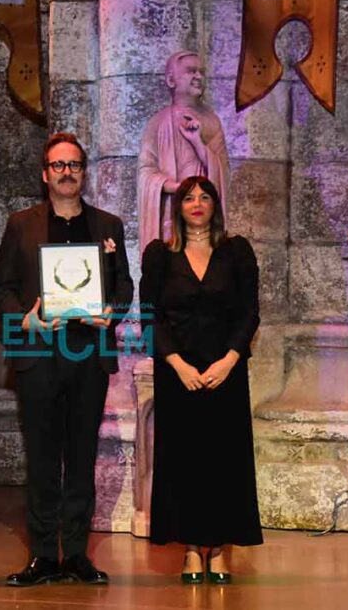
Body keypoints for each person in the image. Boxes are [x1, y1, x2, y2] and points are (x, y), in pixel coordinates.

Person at [0, 132, 133, 586]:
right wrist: (23, 320)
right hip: (38, 355)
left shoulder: (108, 226)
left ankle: (75, 554)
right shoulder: (21, 224)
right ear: (44, 174)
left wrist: (113, 310)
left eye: (74, 165)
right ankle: (42, 557)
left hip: (89, 356)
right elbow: (2, 288)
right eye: (58, 165)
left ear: (84, 173)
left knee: (81, 455)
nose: (66, 172)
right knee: (42, 458)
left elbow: (124, 285)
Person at [139, 175, 262, 584]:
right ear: (177, 207)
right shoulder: (160, 254)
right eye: (188, 197)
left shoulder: (236, 251)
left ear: (215, 205)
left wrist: (229, 360)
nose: (196, 203)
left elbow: (249, 312)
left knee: (224, 462)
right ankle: (191, 548)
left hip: (225, 371)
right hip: (179, 374)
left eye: (204, 196)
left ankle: (222, 549)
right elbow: (148, 314)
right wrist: (177, 363)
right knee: (184, 462)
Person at [137, 50, 230, 249]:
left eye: (201, 72)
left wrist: (198, 143)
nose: (198, 76)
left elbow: (221, 172)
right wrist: (176, 187)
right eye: (191, 71)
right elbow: (146, 172)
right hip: (171, 219)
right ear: (171, 80)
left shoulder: (212, 121)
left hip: (205, 221)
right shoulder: (158, 122)